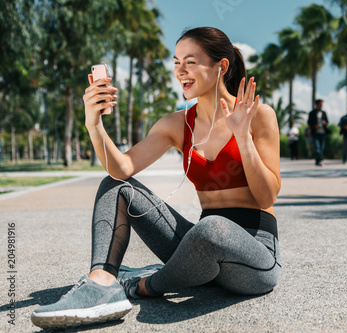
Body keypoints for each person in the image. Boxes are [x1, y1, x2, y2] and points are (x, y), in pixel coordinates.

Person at [31, 27, 282, 329]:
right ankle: (101, 284)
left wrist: (242, 138)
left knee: (213, 230)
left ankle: (142, 285)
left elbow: (267, 196)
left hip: (254, 253)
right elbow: (121, 167)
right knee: (116, 186)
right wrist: (93, 124)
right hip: (198, 244)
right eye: (176, 62)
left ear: (221, 66)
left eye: (191, 62)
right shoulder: (175, 125)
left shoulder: (259, 115)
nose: (181, 71)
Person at [307, 99, 329, 166]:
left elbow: (327, 121)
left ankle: (320, 160)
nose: (321, 105)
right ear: (317, 104)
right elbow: (309, 122)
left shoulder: (324, 113)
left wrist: (325, 123)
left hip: (322, 132)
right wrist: (314, 126)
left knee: (322, 147)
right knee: (317, 147)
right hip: (315, 133)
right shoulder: (312, 113)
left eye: (322, 104)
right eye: (320, 103)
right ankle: (319, 160)